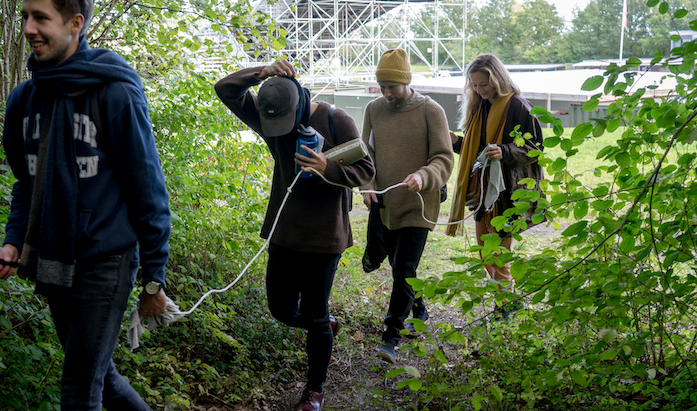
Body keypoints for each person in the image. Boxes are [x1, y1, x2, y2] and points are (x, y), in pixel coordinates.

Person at [0, 0, 170, 411]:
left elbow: (147, 188)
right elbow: (27, 182)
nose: (28, 29)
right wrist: (11, 243)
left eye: (40, 18)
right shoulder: (24, 101)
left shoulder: (114, 92)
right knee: (101, 379)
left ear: (75, 24)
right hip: (53, 259)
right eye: (25, 17)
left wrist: (154, 276)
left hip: (107, 260)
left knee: (79, 394)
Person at [214, 60, 375, 411]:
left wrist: (326, 166)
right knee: (281, 309)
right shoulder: (271, 114)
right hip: (283, 231)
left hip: (324, 237)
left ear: (300, 103)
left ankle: (314, 390)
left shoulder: (337, 120)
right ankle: (326, 326)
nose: (279, 129)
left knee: (315, 314)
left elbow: (366, 170)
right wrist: (262, 72)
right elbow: (225, 89)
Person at [360, 48, 454, 364]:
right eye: (382, 86)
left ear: (407, 82)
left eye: (393, 87)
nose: (387, 93)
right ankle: (419, 306)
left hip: (419, 203)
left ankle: (390, 337)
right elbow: (365, 155)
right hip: (386, 203)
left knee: (403, 267)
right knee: (399, 265)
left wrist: (423, 175)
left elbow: (444, 157)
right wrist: (367, 185)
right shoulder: (374, 110)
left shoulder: (432, 111)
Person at [446, 53, 544, 319]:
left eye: (483, 85)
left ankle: (507, 306)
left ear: (497, 79)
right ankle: (509, 301)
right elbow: (476, 150)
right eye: (474, 85)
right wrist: (456, 142)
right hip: (483, 192)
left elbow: (536, 149)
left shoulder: (518, 106)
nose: (479, 90)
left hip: (509, 192)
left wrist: (505, 150)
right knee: (483, 250)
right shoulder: (480, 107)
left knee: (499, 252)